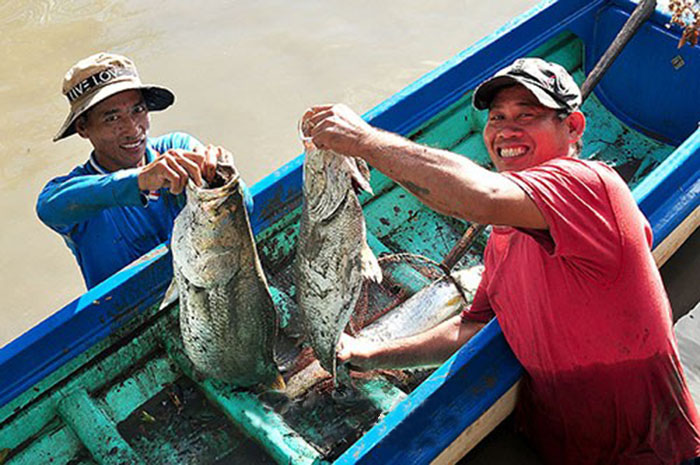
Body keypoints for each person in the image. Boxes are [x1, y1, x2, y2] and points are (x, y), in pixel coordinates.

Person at [302, 58, 700, 464]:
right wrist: (372, 353)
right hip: (555, 440)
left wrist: (363, 140)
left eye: (527, 115)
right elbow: (475, 325)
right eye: (497, 117)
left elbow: (481, 196)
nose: (507, 131)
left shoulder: (590, 187)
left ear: (574, 127)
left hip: (650, 451)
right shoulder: (503, 237)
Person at [37, 53, 252, 289]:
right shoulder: (77, 192)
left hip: (202, 292)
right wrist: (139, 180)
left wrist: (223, 180)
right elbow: (48, 208)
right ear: (83, 128)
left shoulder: (176, 148)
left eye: (138, 110)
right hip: (127, 316)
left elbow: (247, 208)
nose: (132, 129)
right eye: (112, 118)